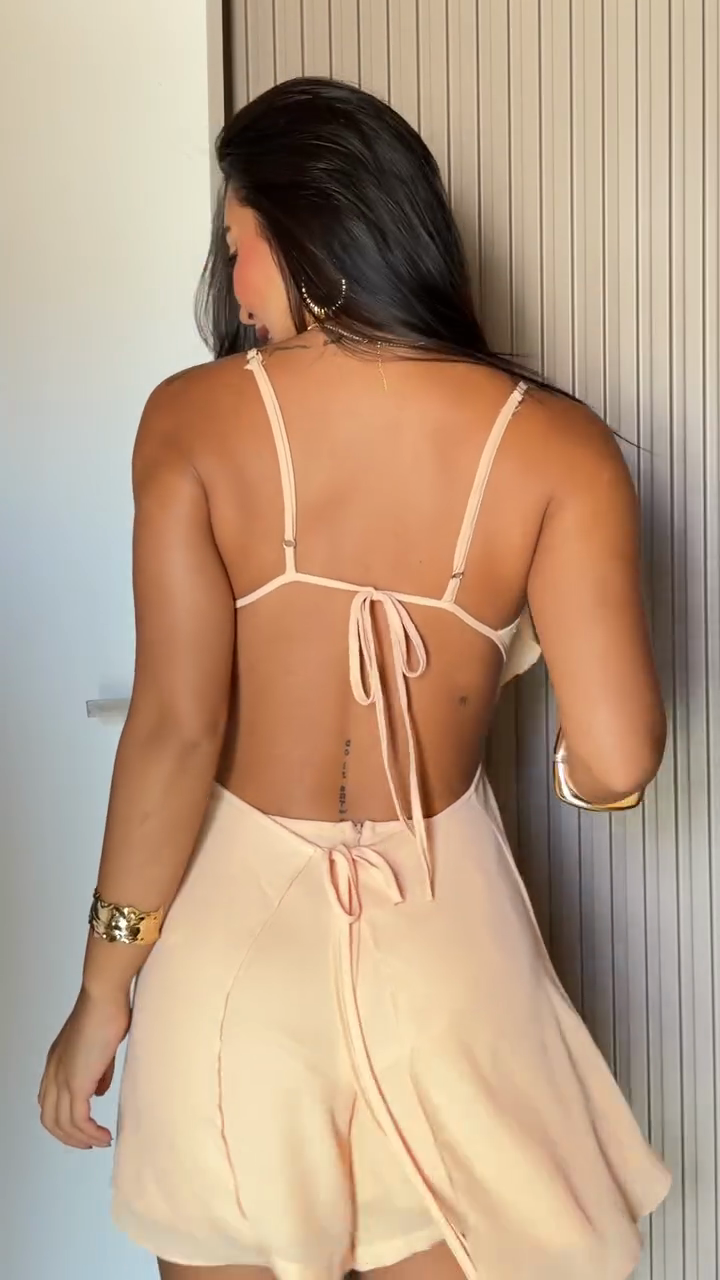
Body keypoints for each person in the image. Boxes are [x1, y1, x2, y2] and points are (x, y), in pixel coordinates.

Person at [39, 77, 670, 1280]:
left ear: (305, 232)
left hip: (232, 951)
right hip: (452, 951)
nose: (233, 284)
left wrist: (102, 989)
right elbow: (619, 754)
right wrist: (579, 770)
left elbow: (175, 729)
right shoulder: (558, 444)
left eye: (237, 243)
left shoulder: (190, 420)